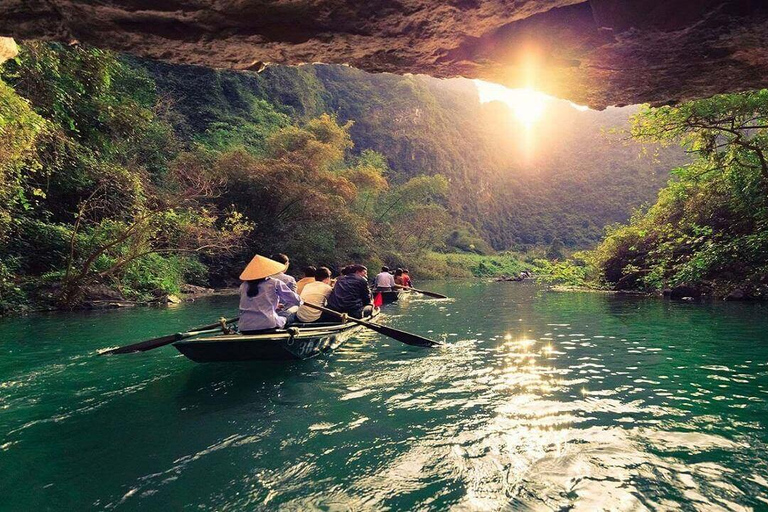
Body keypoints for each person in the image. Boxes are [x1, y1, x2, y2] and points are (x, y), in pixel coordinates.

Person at [238, 254, 301, 333]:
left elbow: (251, 303)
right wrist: (301, 302)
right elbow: (295, 300)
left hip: (244, 326)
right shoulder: (274, 283)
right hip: (268, 324)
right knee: (288, 314)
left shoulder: (243, 286)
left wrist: (274, 306)